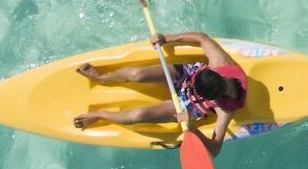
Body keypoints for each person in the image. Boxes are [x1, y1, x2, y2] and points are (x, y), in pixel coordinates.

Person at [71, 32, 250, 152]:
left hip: (188, 106)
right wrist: (168, 38)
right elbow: (203, 38)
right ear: (213, 72)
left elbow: (215, 149)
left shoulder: (225, 110)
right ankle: (103, 79)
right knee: (137, 74)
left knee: (138, 116)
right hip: (186, 75)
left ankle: (101, 115)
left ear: (214, 98)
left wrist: (192, 128)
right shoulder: (220, 64)